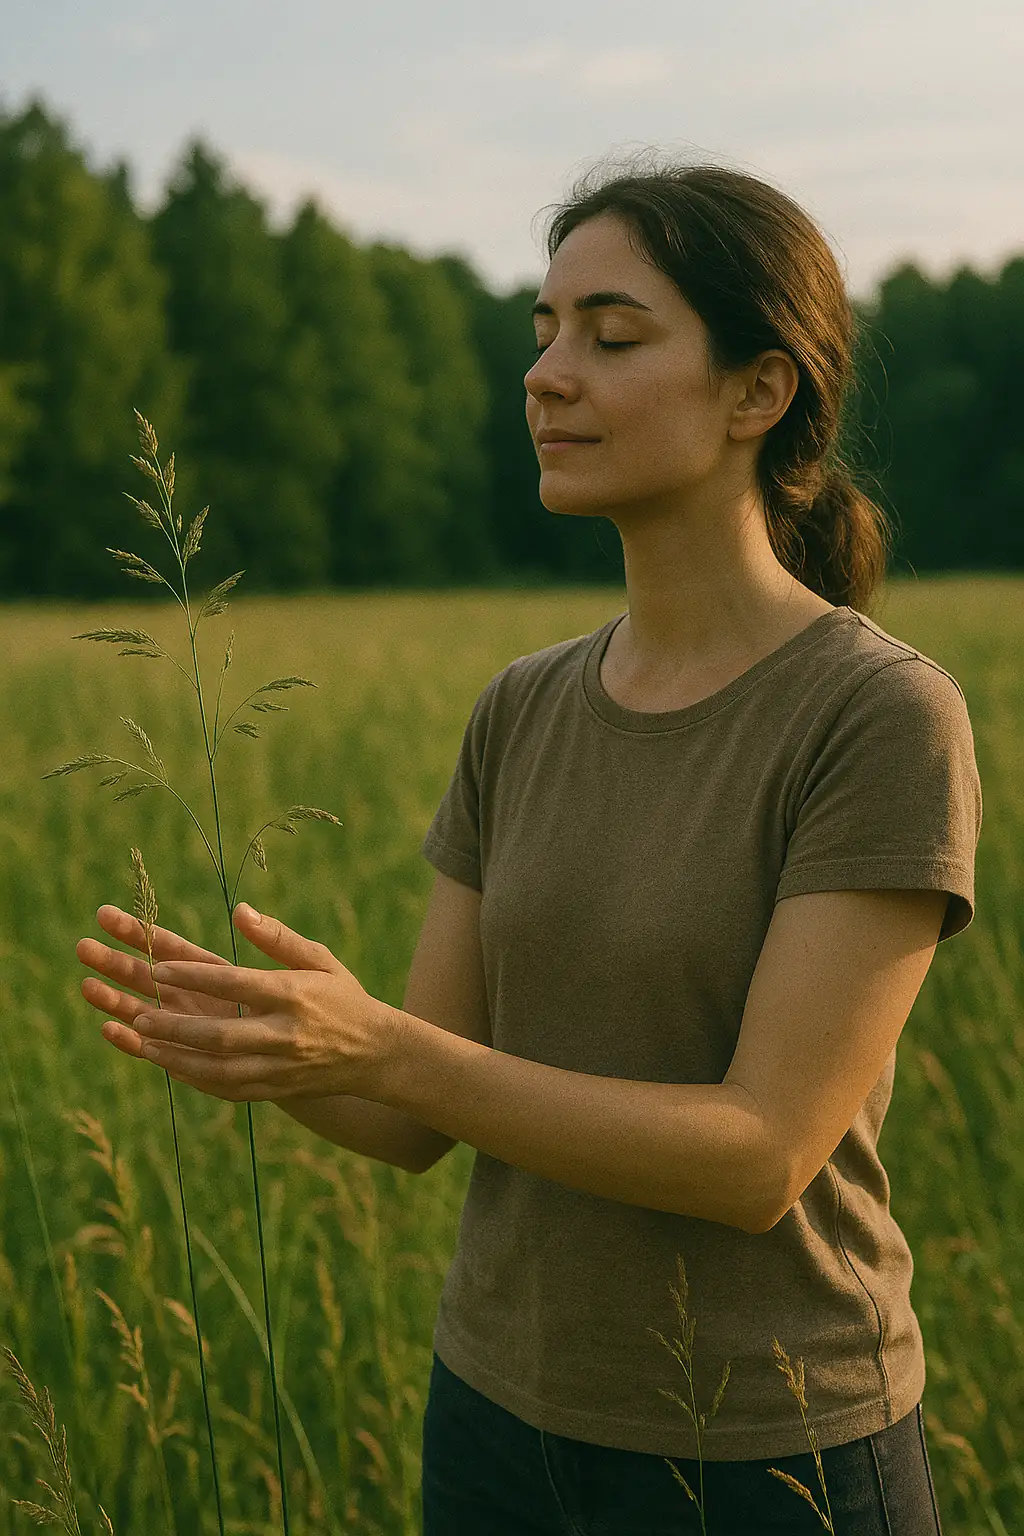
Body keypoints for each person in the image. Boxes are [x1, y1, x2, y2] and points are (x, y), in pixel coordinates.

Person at [78, 156, 979, 1534]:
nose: (548, 374)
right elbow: (411, 1116)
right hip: (496, 1421)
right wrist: (275, 1041)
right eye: (543, 331)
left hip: (766, 1454)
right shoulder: (524, 706)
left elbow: (758, 1156)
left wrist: (385, 1046)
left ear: (759, 391)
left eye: (611, 337)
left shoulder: (876, 715)